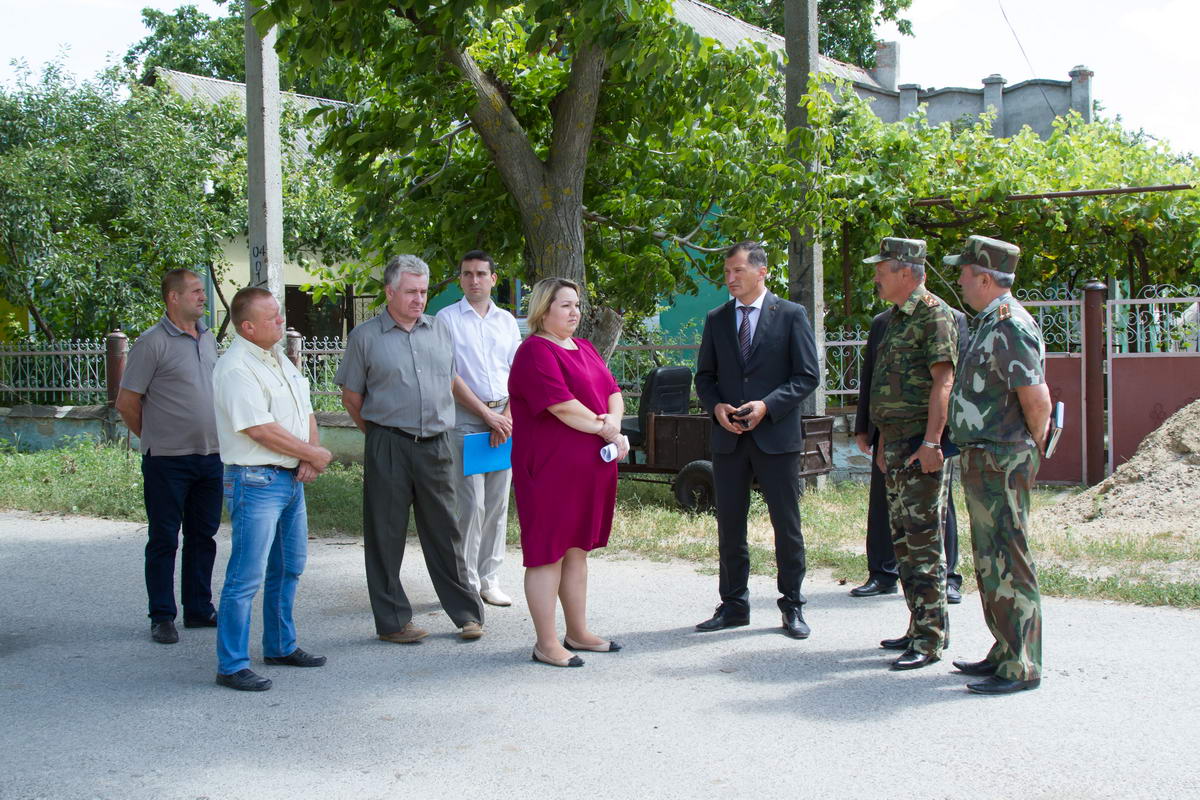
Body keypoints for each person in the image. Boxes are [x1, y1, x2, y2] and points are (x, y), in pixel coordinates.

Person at [336, 255, 485, 645]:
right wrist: (382, 434)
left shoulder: (439, 330)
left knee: (446, 532)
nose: (419, 299)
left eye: (423, 291)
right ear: (389, 292)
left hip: (436, 445)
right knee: (386, 535)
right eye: (411, 292)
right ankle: (392, 622)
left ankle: (467, 614)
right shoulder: (365, 337)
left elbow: (450, 378)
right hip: (388, 443)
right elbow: (352, 397)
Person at [693, 241, 820, 639]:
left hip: (776, 436)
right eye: (727, 273)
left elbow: (806, 376)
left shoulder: (791, 315)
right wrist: (716, 409)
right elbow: (706, 377)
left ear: (761, 271)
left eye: (738, 271)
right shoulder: (716, 319)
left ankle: (793, 605)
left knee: (787, 524)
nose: (730, 279)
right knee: (729, 524)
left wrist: (766, 406)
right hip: (728, 439)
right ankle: (733, 604)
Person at [212, 287, 332, 692]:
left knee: (289, 567)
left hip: (288, 479)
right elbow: (258, 428)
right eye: (272, 318)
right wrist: (313, 454)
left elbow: (305, 409)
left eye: (279, 315)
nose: (281, 322)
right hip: (256, 480)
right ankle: (231, 664)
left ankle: (280, 645)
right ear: (247, 326)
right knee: (246, 575)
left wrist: (308, 454)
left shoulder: (277, 358)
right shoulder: (235, 368)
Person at [946, 235, 1050, 695]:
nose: (960, 283)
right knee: (991, 562)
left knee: (1010, 559)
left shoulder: (1011, 325)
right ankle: (1004, 649)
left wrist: (1031, 451)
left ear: (985, 278)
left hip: (1003, 460)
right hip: (984, 459)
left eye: (965, 276)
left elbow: (1036, 399)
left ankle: (1022, 664)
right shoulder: (989, 321)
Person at [507, 277, 628, 667]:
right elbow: (562, 406)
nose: (575, 312)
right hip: (548, 471)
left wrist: (614, 422)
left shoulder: (586, 347)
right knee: (548, 554)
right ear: (543, 310)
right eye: (565, 305)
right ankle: (546, 642)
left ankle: (577, 632)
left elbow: (613, 393)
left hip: (589, 467)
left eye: (577, 305)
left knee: (577, 550)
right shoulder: (534, 352)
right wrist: (606, 428)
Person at [865, 237, 958, 671]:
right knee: (903, 542)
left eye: (881, 269)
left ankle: (931, 637)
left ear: (905, 270)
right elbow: (887, 385)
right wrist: (883, 441)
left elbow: (943, 384)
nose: (876, 277)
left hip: (921, 446)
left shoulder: (934, 314)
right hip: (896, 445)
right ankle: (916, 625)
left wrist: (933, 442)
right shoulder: (895, 319)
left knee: (924, 544)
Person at [116, 269, 222, 645]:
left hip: (211, 456)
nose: (202, 297)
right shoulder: (152, 342)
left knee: (203, 535)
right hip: (167, 459)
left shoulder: (208, 338)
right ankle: (162, 615)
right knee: (164, 538)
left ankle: (198, 608)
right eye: (195, 291)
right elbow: (126, 403)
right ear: (173, 298)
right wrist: (155, 437)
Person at [849, 307, 966, 604]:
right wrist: (863, 426)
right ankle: (883, 573)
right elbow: (871, 376)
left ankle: (948, 578)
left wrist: (941, 436)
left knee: (940, 504)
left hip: (929, 431)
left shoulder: (949, 318)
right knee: (882, 500)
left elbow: (954, 379)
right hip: (889, 431)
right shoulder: (882, 322)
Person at [436, 250, 522, 608]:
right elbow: (450, 375)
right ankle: (467, 580)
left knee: (499, 503)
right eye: (467, 273)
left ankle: (490, 579)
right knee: (472, 505)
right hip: (467, 422)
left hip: (505, 420)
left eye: (481, 273)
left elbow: (519, 373)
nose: (474, 280)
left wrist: (507, 416)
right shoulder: (446, 319)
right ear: (460, 279)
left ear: (493, 279)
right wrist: (488, 417)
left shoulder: (506, 321)